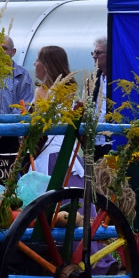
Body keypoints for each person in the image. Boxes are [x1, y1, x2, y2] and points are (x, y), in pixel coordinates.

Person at [31, 45, 83, 185]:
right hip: (68, 153)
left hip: (48, 155)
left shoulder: (42, 91)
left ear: (47, 65)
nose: (34, 64)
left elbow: (36, 125)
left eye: (37, 60)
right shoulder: (69, 90)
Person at [0, 36, 33, 153]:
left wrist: (2, 129)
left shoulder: (22, 76)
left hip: (12, 137)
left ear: (13, 52)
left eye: (4, 48)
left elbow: (24, 107)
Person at [89, 36, 113, 159]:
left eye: (98, 52)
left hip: (112, 139)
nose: (94, 56)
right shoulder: (93, 79)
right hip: (94, 139)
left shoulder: (117, 78)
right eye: (93, 52)